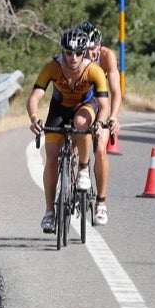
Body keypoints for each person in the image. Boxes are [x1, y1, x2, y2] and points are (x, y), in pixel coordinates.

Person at [27, 27, 112, 234]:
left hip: (86, 106)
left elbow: (104, 103)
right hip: (59, 109)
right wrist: (34, 118)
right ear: (62, 52)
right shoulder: (52, 68)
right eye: (68, 53)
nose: (72, 58)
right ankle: (49, 212)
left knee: (81, 122)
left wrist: (100, 124)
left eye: (77, 53)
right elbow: (34, 97)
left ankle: (83, 169)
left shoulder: (94, 70)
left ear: (84, 53)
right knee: (52, 156)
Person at [76, 21, 121, 225]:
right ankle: (71, 181)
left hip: (99, 102)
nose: (89, 53)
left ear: (99, 46)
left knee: (100, 148)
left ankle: (101, 203)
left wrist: (113, 117)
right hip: (78, 101)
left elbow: (116, 91)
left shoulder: (106, 57)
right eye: (85, 49)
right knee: (68, 141)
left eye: (93, 48)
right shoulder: (75, 56)